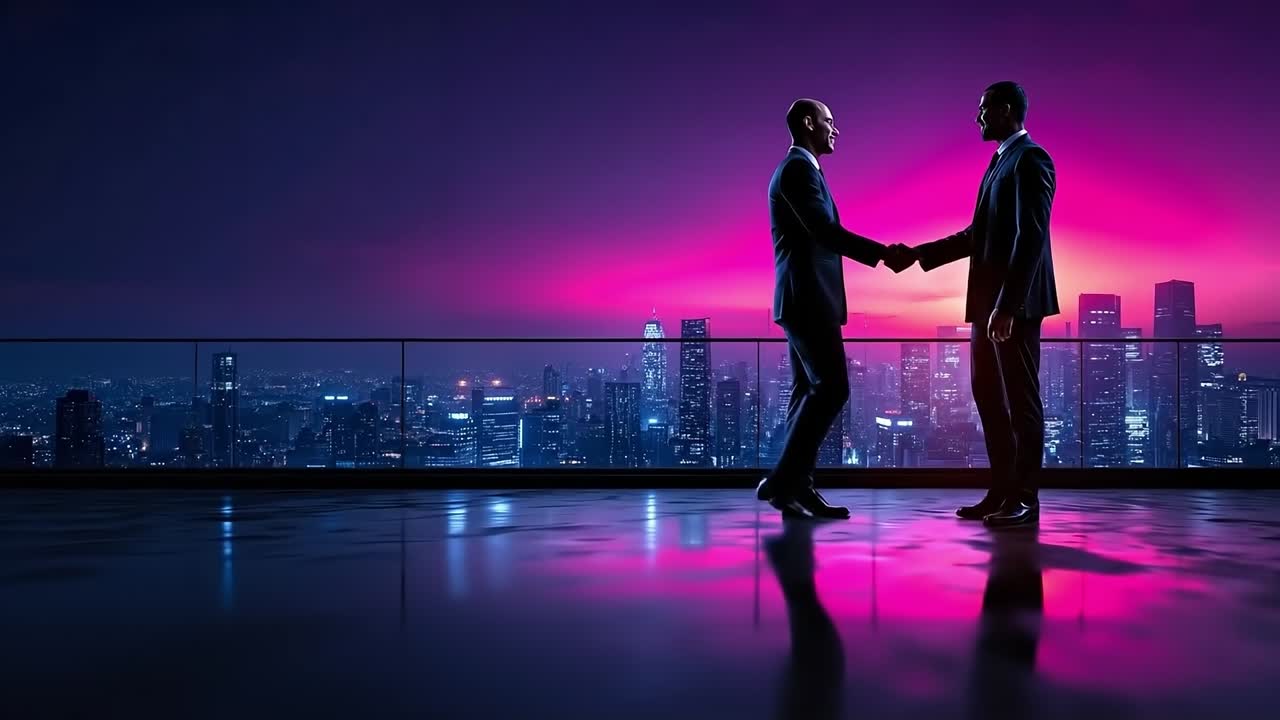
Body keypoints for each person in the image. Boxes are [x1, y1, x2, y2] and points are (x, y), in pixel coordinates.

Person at [900, 82, 1059, 528]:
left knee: (1021, 401)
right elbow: (979, 235)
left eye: (983, 109)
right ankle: (1002, 491)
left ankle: (1024, 499)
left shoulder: (1031, 159)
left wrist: (1008, 306)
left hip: (1014, 309)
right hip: (988, 308)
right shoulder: (998, 163)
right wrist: (921, 254)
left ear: (1006, 111)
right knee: (988, 397)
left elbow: (1032, 237)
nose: (978, 118)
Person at [757, 98, 913, 519]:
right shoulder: (796, 170)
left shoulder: (804, 170)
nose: (835, 129)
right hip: (807, 299)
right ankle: (783, 482)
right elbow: (824, 232)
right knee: (832, 388)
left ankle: (797, 489)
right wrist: (882, 254)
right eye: (829, 121)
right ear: (809, 123)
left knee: (806, 391)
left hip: (806, 298)